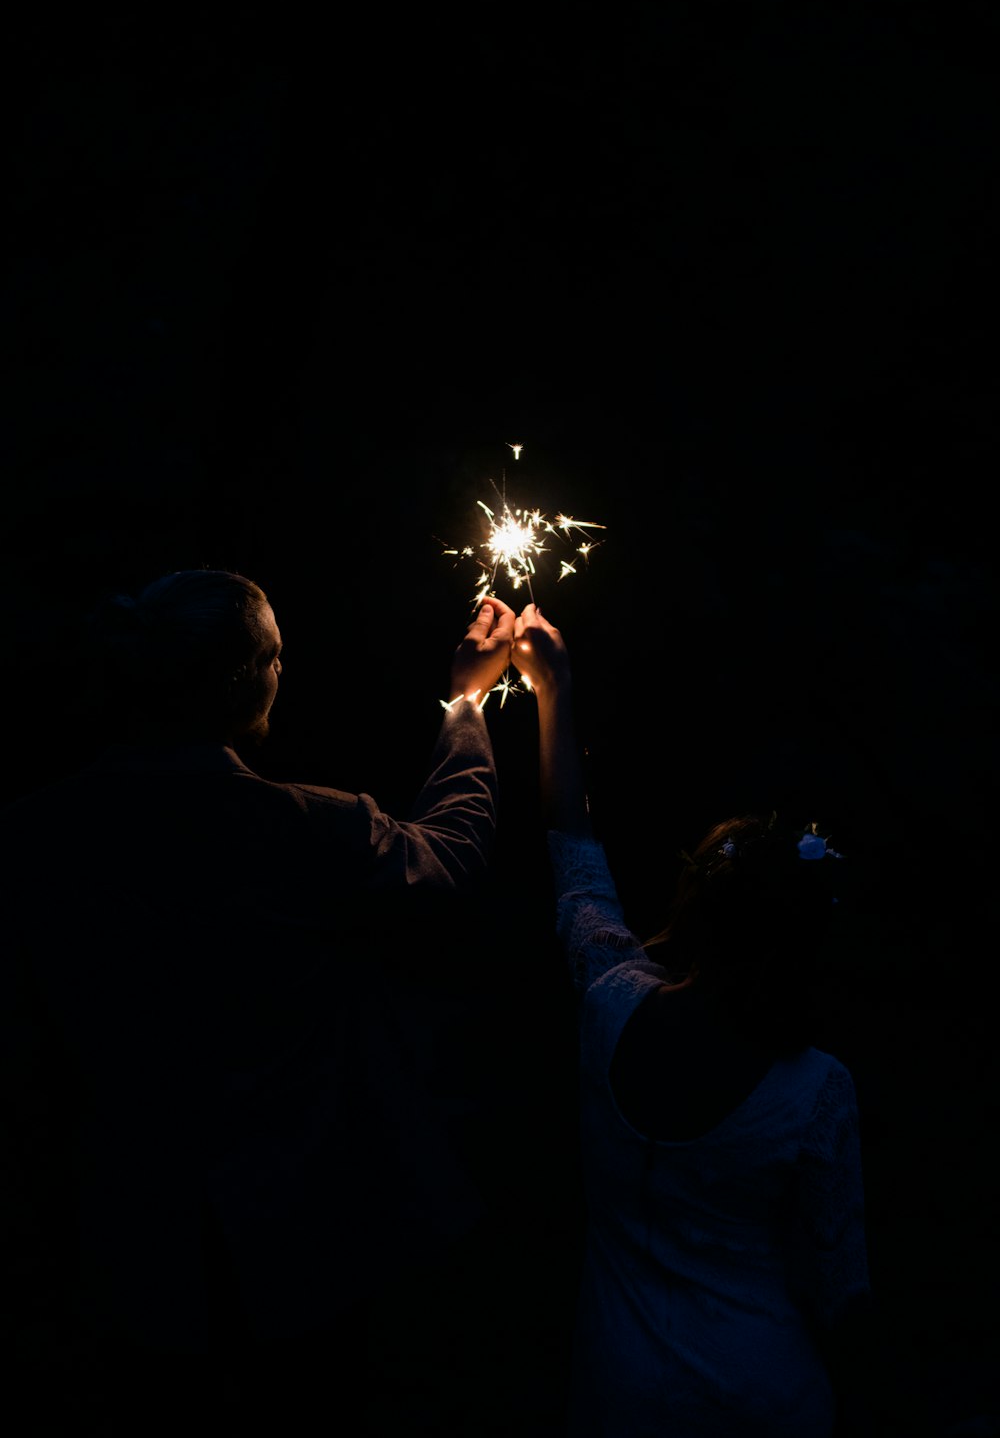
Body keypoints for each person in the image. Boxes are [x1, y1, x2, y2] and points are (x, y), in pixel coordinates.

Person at [0, 568, 517, 1434]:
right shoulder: (309, 829)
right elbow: (451, 856)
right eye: (275, 657)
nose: (284, 671)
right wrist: (467, 704)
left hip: (121, 1253)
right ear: (242, 679)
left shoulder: (30, 836)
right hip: (304, 1255)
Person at [509, 600, 888, 1438]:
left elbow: (575, 865)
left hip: (616, 1390)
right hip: (766, 1399)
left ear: (696, 909)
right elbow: (842, 1291)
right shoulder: (817, 1090)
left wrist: (553, 693)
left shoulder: (609, 1004)